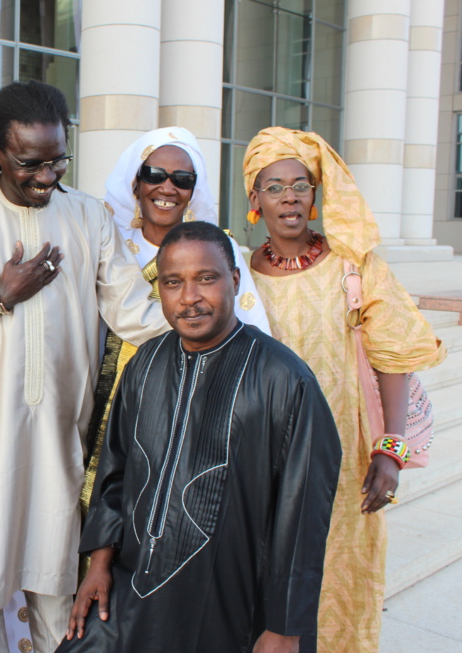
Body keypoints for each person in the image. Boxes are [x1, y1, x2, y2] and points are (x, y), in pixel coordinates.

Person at [0, 80, 169, 653]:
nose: (47, 176)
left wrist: (217, 336)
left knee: (55, 588)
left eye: (57, 161)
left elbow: (133, 311)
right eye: (31, 163)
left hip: (57, 438)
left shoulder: (88, 218)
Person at [60, 221, 341, 653]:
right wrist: (99, 564)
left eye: (205, 279)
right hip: (131, 591)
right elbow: (114, 473)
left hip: (229, 604)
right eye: (173, 282)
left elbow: (303, 515)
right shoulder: (146, 365)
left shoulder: (284, 380)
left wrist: (285, 627)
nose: (189, 298)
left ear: (233, 280)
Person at [243, 127, 447, 652]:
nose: (288, 195)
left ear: (315, 195)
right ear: (254, 199)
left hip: (345, 464)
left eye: (300, 184)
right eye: (273, 186)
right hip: (263, 463)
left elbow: (394, 354)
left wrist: (391, 449)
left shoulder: (354, 267)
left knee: (342, 587)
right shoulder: (240, 274)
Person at [83, 127, 272, 527]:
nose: (167, 187)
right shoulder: (106, 239)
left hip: (194, 396)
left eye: (182, 179)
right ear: (135, 181)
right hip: (108, 397)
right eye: (155, 174)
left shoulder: (219, 248)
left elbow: (250, 329)